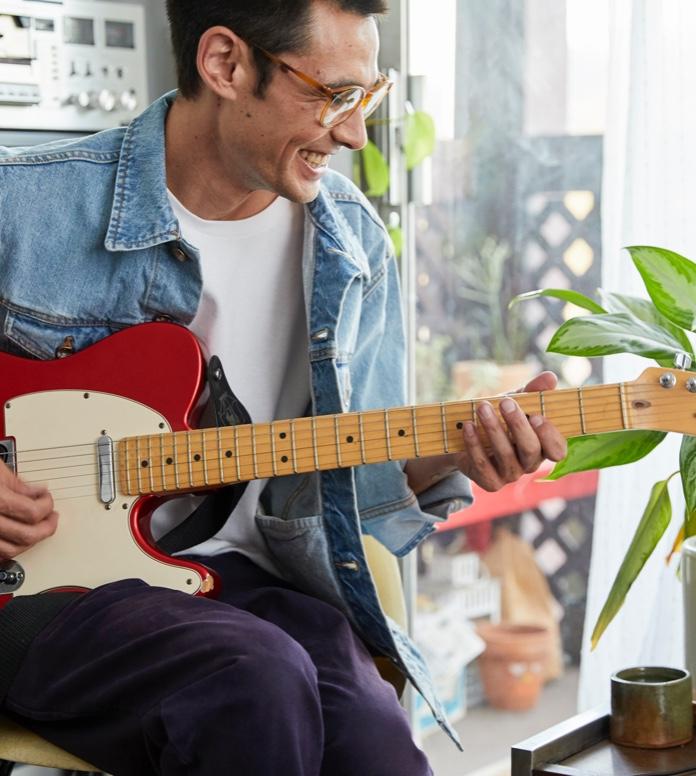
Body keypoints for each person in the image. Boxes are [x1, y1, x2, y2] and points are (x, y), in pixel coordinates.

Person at [0, 1, 567, 773]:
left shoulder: (351, 242)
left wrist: (455, 455)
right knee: (253, 680)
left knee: (374, 746)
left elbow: (357, 475)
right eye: (332, 95)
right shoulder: (23, 206)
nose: (354, 132)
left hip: (244, 577)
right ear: (226, 64)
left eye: (367, 97)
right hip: (41, 592)